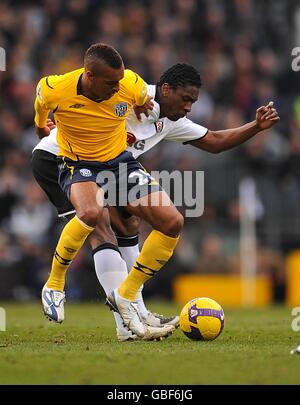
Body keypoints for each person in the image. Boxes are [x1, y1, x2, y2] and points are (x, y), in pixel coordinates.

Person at [33, 62, 280, 337]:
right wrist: (51, 122)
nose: (189, 107)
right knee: (100, 225)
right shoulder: (127, 92)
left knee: (131, 228)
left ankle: (136, 311)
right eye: (186, 99)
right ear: (165, 89)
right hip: (58, 158)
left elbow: (214, 141)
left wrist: (255, 127)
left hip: (112, 167)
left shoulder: (171, 121)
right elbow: (82, 88)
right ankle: (123, 326)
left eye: (193, 102)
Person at [34, 43, 187, 340]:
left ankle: (127, 297)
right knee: (91, 216)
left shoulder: (128, 83)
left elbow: (143, 96)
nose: (117, 88)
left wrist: (141, 103)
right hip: (77, 164)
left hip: (120, 164)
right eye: (110, 84)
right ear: (89, 76)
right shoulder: (56, 88)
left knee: (172, 222)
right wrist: (42, 127)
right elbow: (40, 107)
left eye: (120, 82)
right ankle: (54, 283)